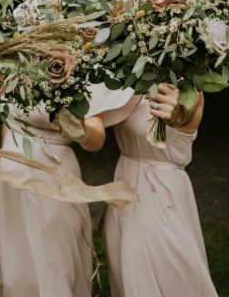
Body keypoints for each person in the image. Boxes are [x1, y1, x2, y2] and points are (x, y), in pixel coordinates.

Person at [0, 0, 103, 297]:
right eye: (41, 8)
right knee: (16, 270)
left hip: (56, 177)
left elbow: (96, 140)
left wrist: (76, 123)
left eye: (55, 8)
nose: (47, 16)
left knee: (54, 263)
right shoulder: (14, 59)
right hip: (12, 179)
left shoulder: (84, 65)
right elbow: (6, 122)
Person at [91, 84, 218, 296]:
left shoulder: (188, 89)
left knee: (160, 278)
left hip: (158, 199)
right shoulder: (129, 84)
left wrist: (178, 114)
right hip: (124, 195)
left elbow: (182, 114)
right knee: (126, 281)